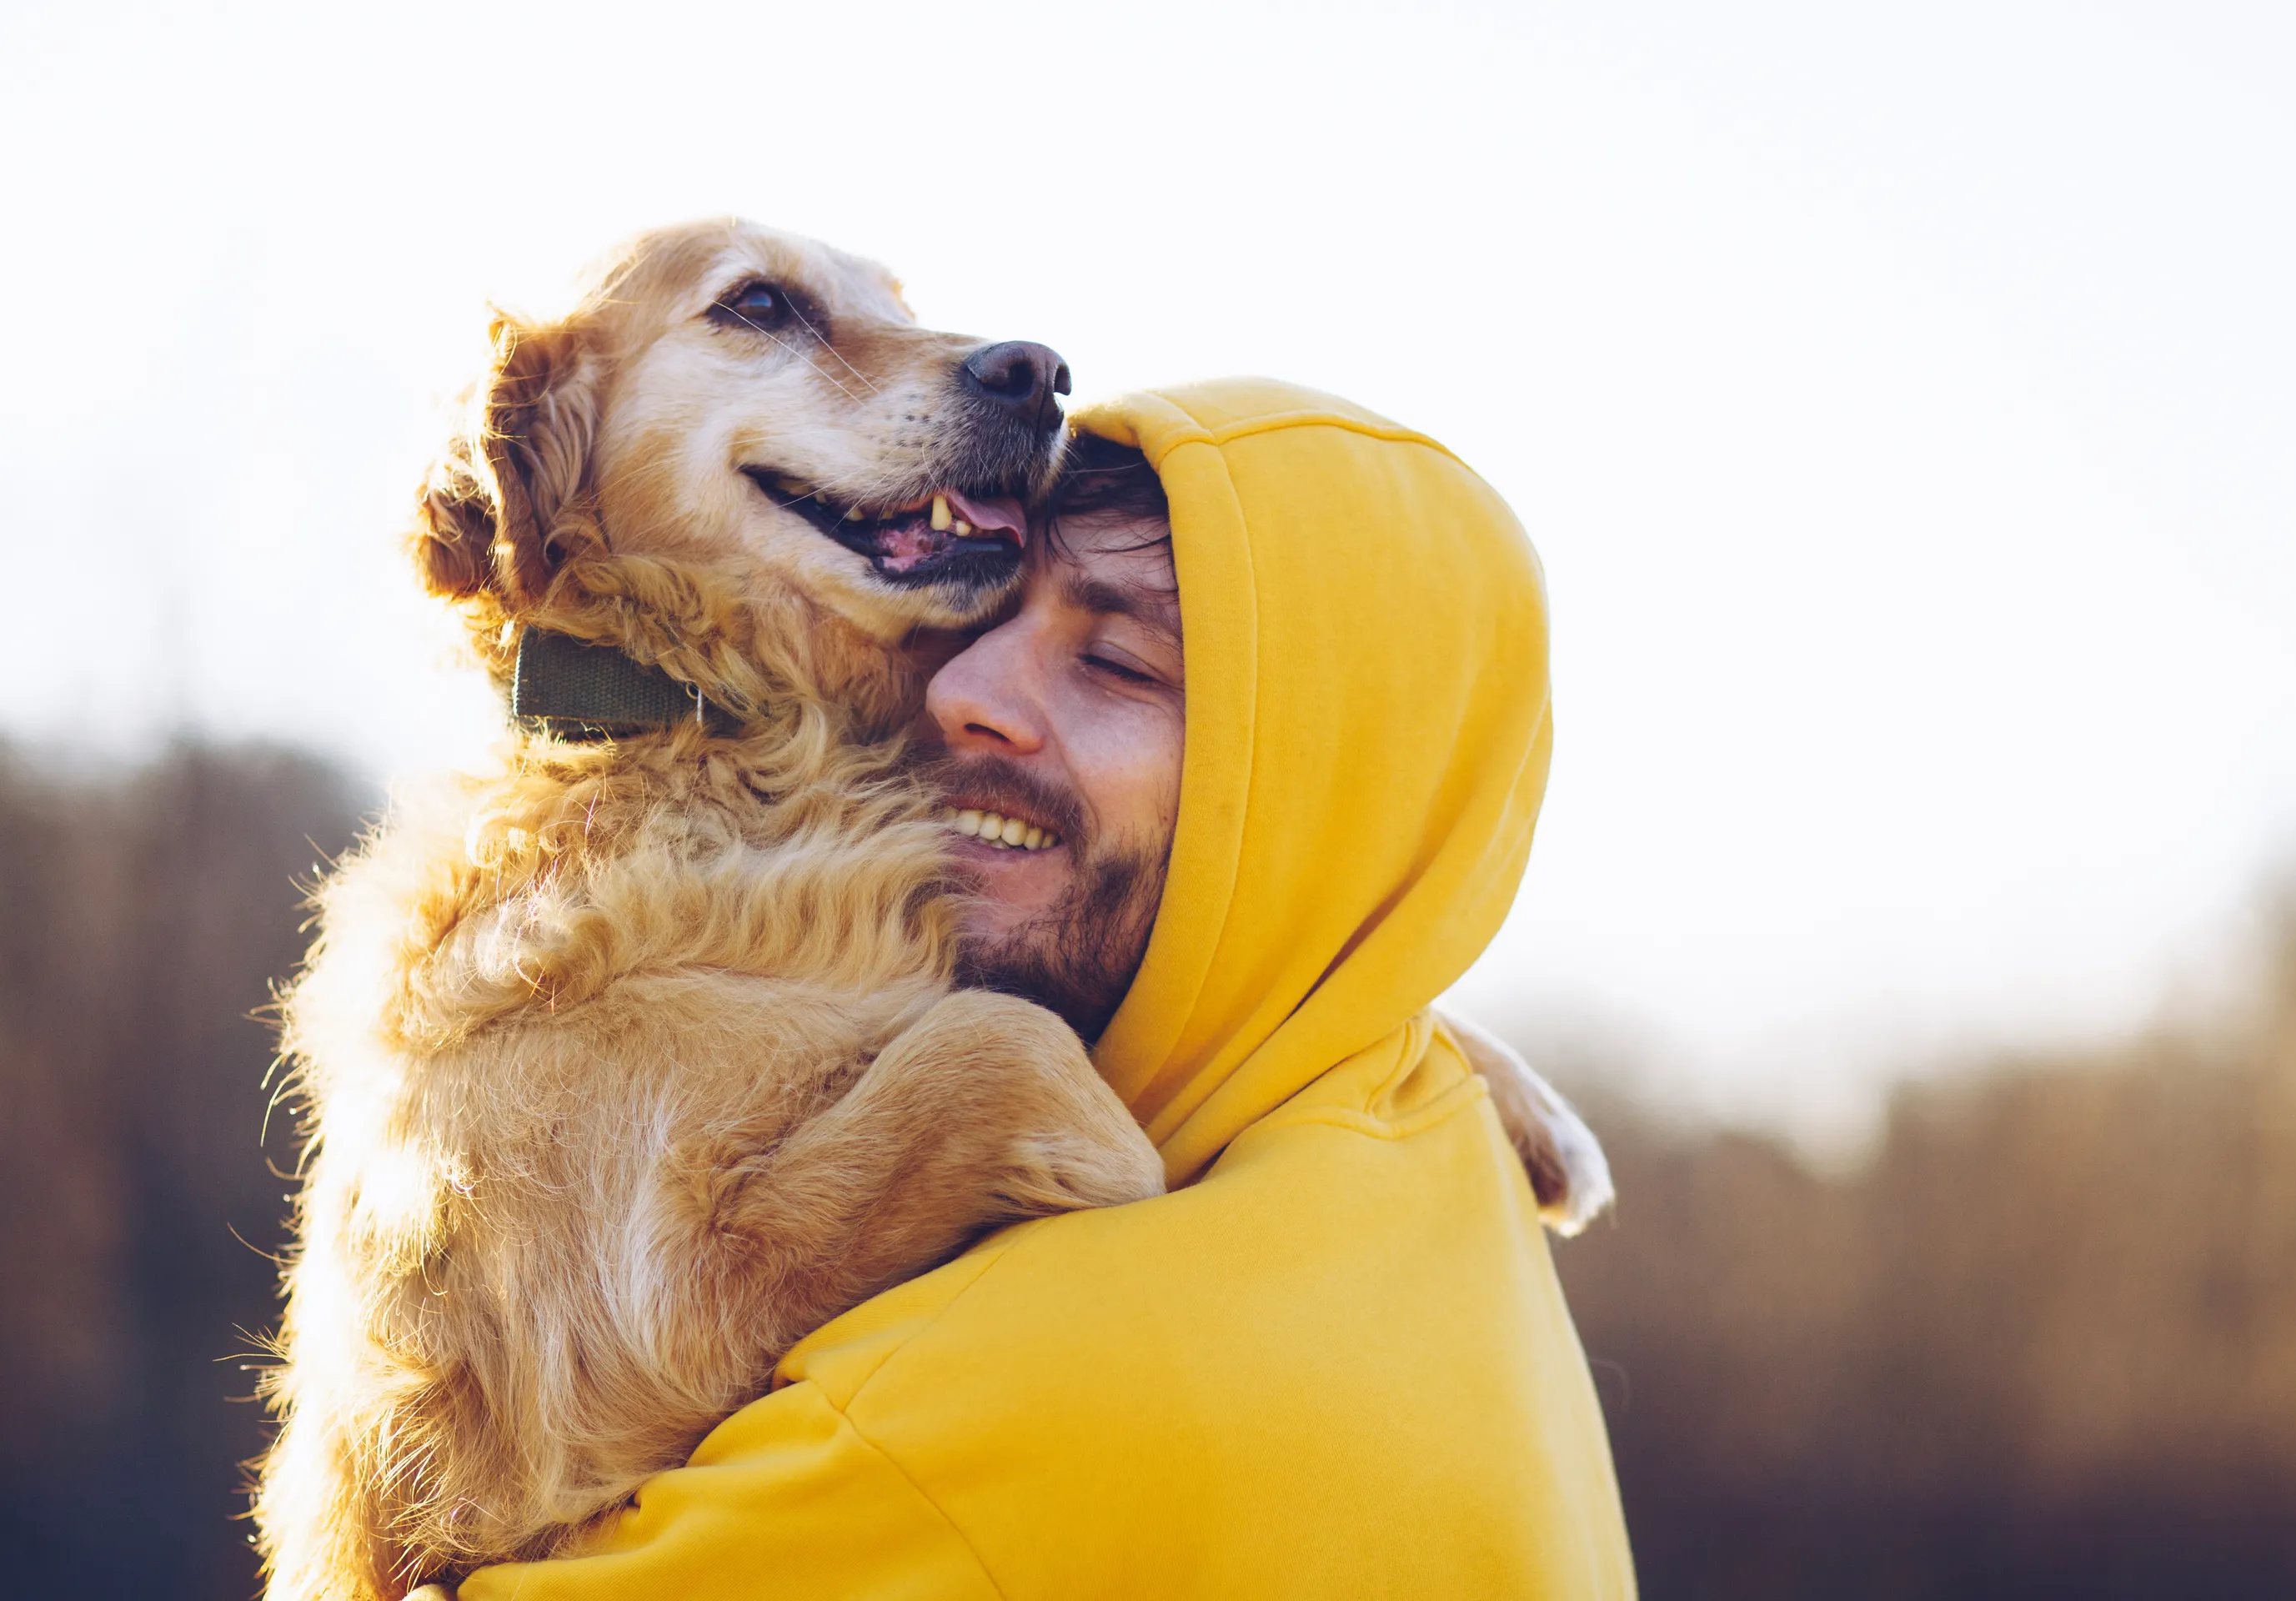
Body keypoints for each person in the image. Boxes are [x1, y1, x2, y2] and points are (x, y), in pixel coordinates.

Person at [459, 379, 1637, 1598]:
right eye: (974, 615)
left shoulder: (1015, 1397)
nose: (961, 690)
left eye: (1119, 664)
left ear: (1316, 809)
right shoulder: (1436, 1155)